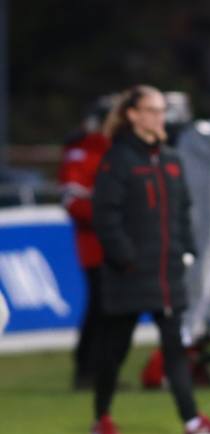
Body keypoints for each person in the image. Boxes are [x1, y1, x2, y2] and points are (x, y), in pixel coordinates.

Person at [92, 84, 210, 434]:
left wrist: (186, 249)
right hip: (128, 276)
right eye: (153, 110)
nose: (161, 117)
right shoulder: (118, 160)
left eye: (162, 110)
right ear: (133, 115)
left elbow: (183, 211)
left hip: (168, 273)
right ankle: (102, 419)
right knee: (115, 349)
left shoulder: (171, 159)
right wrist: (124, 257)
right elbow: (105, 215)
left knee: (175, 349)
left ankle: (192, 422)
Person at [58, 94, 116, 390]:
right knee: (100, 308)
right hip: (95, 245)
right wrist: (111, 218)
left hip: (113, 242)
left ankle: (101, 371)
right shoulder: (82, 151)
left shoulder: (108, 149)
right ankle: (87, 370)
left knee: (109, 309)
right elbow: (73, 199)